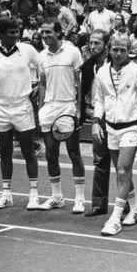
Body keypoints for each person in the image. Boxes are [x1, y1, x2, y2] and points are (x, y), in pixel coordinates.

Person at [93, 35, 137, 236]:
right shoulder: (101, 71)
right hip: (111, 128)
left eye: (122, 50)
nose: (118, 54)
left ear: (129, 51)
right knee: (123, 173)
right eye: (115, 49)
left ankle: (115, 218)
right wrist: (95, 121)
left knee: (122, 171)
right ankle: (135, 209)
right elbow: (100, 99)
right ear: (109, 50)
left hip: (132, 127)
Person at [0, 17, 42, 211]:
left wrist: (39, 86)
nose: (16, 35)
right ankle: (7, 194)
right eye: (11, 32)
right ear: (1, 35)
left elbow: (44, 67)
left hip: (22, 106)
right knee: (5, 151)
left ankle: (34, 195)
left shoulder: (27, 50)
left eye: (17, 31)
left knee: (28, 152)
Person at [36, 19, 86, 213]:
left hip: (68, 107)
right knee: (50, 154)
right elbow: (42, 83)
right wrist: (40, 108)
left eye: (49, 32)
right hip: (49, 108)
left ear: (58, 32)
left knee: (74, 153)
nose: (45, 36)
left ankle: (80, 198)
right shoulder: (41, 56)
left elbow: (79, 81)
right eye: (43, 33)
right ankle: (57, 196)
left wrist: (79, 108)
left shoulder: (73, 52)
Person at [79, 29, 123, 218]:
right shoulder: (88, 66)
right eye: (91, 42)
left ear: (106, 45)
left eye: (97, 43)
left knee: (121, 164)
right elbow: (84, 92)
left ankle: (125, 205)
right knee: (100, 161)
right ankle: (99, 204)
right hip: (97, 118)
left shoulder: (117, 64)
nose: (92, 46)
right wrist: (86, 112)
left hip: (117, 119)